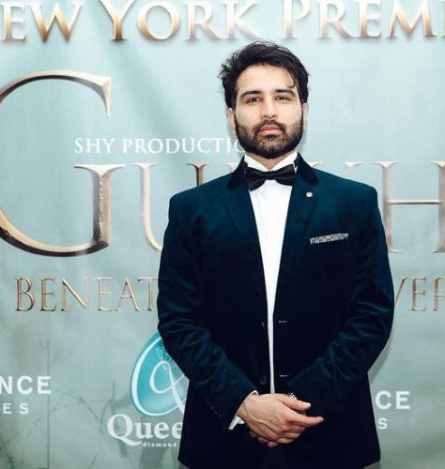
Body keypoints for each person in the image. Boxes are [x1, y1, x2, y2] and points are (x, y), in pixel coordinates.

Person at [157, 41, 394, 469]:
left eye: (283, 97)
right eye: (253, 99)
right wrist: (244, 403)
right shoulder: (191, 210)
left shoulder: (354, 203)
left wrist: (297, 402)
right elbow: (179, 321)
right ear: (231, 115)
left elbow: (371, 316)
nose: (269, 111)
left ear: (303, 108)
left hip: (330, 434)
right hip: (223, 438)